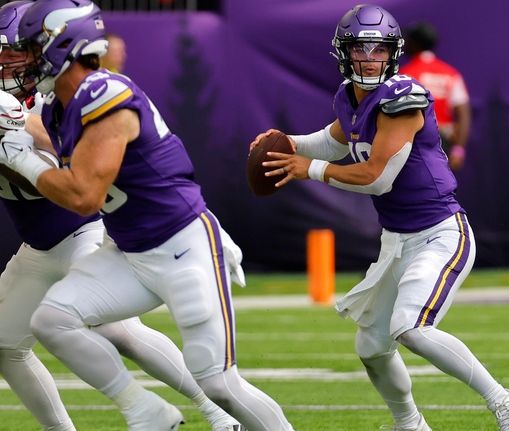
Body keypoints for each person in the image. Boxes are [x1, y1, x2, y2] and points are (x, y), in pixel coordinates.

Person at [0, 1, 293, 430]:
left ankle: (214, 412)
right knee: (44, 324)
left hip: (153, 240)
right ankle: (141, 410)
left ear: (59, 47)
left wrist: (20, 151)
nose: (14, 60)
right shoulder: (59, 104)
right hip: (117, 244)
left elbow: (81, 192)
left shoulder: (99, 95)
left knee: (215, 382)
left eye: (21, 49)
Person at [251, 5, 509, 431]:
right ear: (343, 53)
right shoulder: (349, 96)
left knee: (412, 327)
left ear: (393, 53)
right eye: (360, 48)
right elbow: (333, 141)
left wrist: (305, 169)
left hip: (440, 233)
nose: (369, 57)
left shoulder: (403, 99)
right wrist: (288, 142)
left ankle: (507, 401)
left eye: (378, 48)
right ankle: (411, 424)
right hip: (397, 239)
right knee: (371, 346)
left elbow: (377, 178)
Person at [400, 22, 470, 171]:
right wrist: (459, 150)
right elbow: (464, 114)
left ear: (416, 43)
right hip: (444, 142)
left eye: (409, 39)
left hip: (415, 142)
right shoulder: (450, 73)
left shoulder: (405, 75)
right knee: (441, 189)